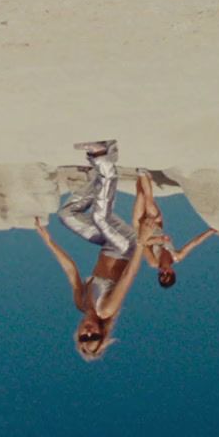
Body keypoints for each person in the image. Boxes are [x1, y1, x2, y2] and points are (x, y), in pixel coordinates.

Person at [35, 140, 162, 360]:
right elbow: (129, 275)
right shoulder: (106, 309)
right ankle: (104, 158)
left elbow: (71, 270)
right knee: (100, 217)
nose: (88, 332)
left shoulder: (82, 303)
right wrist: (142, 240)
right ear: (102, 334)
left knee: (67, 216)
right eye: (93, 337)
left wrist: (48, 241)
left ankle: (97, 176)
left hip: (106, 244)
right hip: (126, 247)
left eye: (83, 338)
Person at [133, 172, 219, 287]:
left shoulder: (153, 262)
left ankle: (141, 176)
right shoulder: (177, 256)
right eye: (167, 274)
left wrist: (159, 240)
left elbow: (141, 243)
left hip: (140, 226)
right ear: (172, 272)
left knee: (140, 195)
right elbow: (194, 243)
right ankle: (142, 171)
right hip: (156, 223)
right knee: (148, 200)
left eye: (161, 276)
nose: (163, 272)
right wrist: (211, 231)